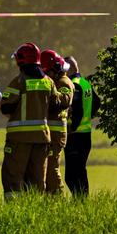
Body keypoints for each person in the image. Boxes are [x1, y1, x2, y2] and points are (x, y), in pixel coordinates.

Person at [0, 43, 60, 196]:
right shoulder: (48, 82)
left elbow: (5, 107)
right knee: (37, 179)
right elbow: (56, 105)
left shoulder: (19, 81)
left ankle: (14, 211)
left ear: (21, 61)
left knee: (12, 176)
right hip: (41, 139)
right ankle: (34, 210)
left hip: (19, 139)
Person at [63, 56, 100, 196]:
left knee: (71, 176)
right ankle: (83, 202)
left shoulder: (73, 84)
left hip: (75, 136)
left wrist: (72, 127)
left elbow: (77, 109)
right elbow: (97, 102)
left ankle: (81, 202)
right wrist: (88, 117)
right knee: (80, 171)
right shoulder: (85, 83)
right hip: (86, 135)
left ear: (69, 68)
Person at [40, 49, 74, 195]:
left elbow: (63, 102)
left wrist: (50, 86)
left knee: (52, 167)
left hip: (56, 133)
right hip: (50, 133)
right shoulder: (55, 81)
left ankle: (56, 197)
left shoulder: (64, 82)